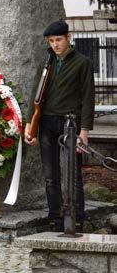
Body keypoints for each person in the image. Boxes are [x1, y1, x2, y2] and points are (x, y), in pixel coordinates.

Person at [24, 20, 95, 232]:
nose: (55, 44)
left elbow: (88, 99)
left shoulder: (82, 63)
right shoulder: (46, 63)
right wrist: (30, 125)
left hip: (70, 123)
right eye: (51, 41)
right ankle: (55, 218)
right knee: (50, 176)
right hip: (46, 123)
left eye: (59, 40)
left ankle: (77, 218)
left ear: (68, 38)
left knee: (73, 175)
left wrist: (84, 131)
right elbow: (35, 97)